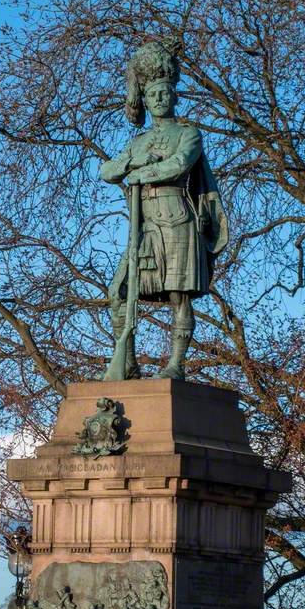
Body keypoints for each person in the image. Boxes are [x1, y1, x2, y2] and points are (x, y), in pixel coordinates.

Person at [101, 41, 228, 380]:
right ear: (144, 99)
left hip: (177, 219)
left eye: (164, 92)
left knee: (179, 295)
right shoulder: (138, 142)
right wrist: (134, 161)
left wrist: (142, 173)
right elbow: (108, 171)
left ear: (174, 95)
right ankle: (127, 363)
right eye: (152, 94)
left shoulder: (189, 133)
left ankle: (175, 365)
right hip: (143, 225)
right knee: (118, 292)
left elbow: (179, 164)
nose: (158, 99)